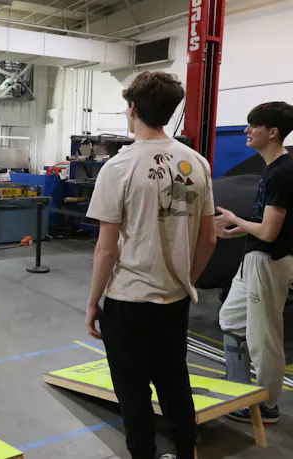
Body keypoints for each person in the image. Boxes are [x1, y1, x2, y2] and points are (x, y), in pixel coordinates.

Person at [85, 71, 217, 459]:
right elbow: (208, 239)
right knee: (175, 382)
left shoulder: (118, 168)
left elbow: (107, 250)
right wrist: (185, 280)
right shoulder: (198, 163)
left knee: (133, 391)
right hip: (175, 300)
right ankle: (187, 452)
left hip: (129, 300)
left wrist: (93, 301)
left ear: (133, 109)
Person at [216, 102, 293, 425]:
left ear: (272, 132)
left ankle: (267, 406)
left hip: (268, 262)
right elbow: (266, 225)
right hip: (254, 258)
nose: (246, 131)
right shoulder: (272, 168)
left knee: (264, 339)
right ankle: (241, 394)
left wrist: (236, 220)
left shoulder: (283, 173)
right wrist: (234, 231)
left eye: (253, 126)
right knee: (231, 320)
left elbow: (269, 232)